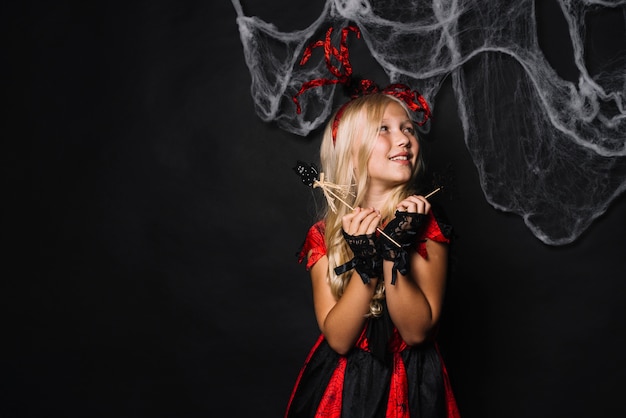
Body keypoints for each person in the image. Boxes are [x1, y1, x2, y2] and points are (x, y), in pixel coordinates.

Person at [285, 91, 460, 418]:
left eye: (407, 129)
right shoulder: (324, 237)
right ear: (351, 152)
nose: (404, 139)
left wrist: (393, 253)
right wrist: (366, 265)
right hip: (344, 389)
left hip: (414, 386)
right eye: (384, 129)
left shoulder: (427, 225)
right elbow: (338, 339)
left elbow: (416, 332)